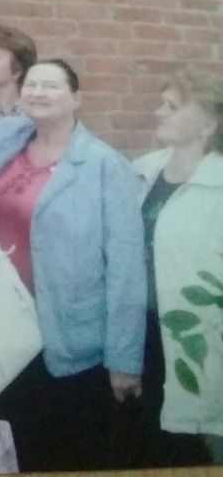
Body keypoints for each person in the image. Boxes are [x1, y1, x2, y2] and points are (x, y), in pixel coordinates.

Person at [0, 59, 147, 472]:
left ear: (76, 98)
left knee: (65, 454)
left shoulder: (104, 165)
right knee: (11, 450)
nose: (37, 92)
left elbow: (126, 264)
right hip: (1, 332)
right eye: (31, 84)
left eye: (50, 85)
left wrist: (125, 358)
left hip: (67, 337)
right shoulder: (5, 145)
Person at [131, 71, 223, 466]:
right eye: (162, 103)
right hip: (145, 333)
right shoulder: (143, 171)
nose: (159, 112)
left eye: (172, 106)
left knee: (203, 442)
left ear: (208, 125)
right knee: (151, 443)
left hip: (202, 338)